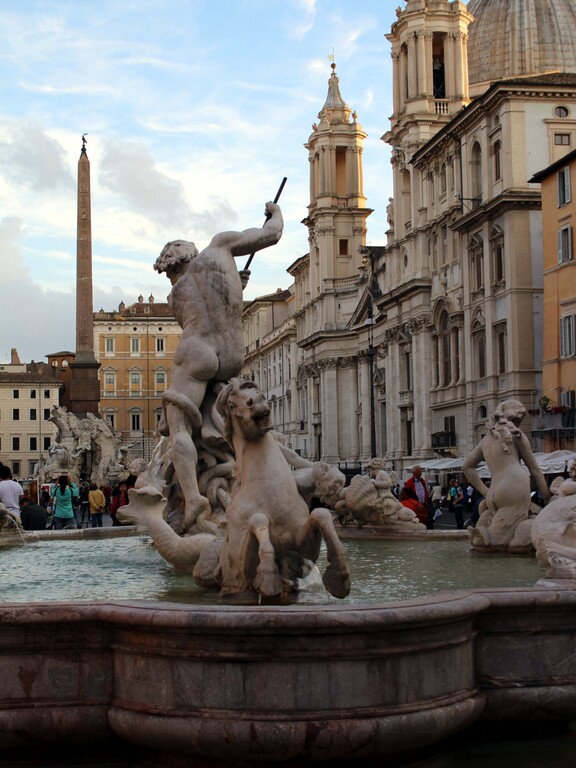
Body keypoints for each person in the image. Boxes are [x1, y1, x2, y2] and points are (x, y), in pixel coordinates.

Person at [153, 201, 283, 532]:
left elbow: (198, 317)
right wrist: (274, 211)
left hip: (199, 352)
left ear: (173, 267)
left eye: (168, 274)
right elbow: (272, 234)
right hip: (232, 354)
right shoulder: (221, 246)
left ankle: (195, 497)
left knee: (178, 425)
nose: (170, 280)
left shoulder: (174, 297)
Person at [463, 399, 550, 548]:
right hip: (515, 486)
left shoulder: (486, 439)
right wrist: (547, 498)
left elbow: (467, 467)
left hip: (494, 490)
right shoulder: (516, 434)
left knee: (487, 540)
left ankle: (482, 536)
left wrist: (485, 491)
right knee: (500, 542)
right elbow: (534, 469)